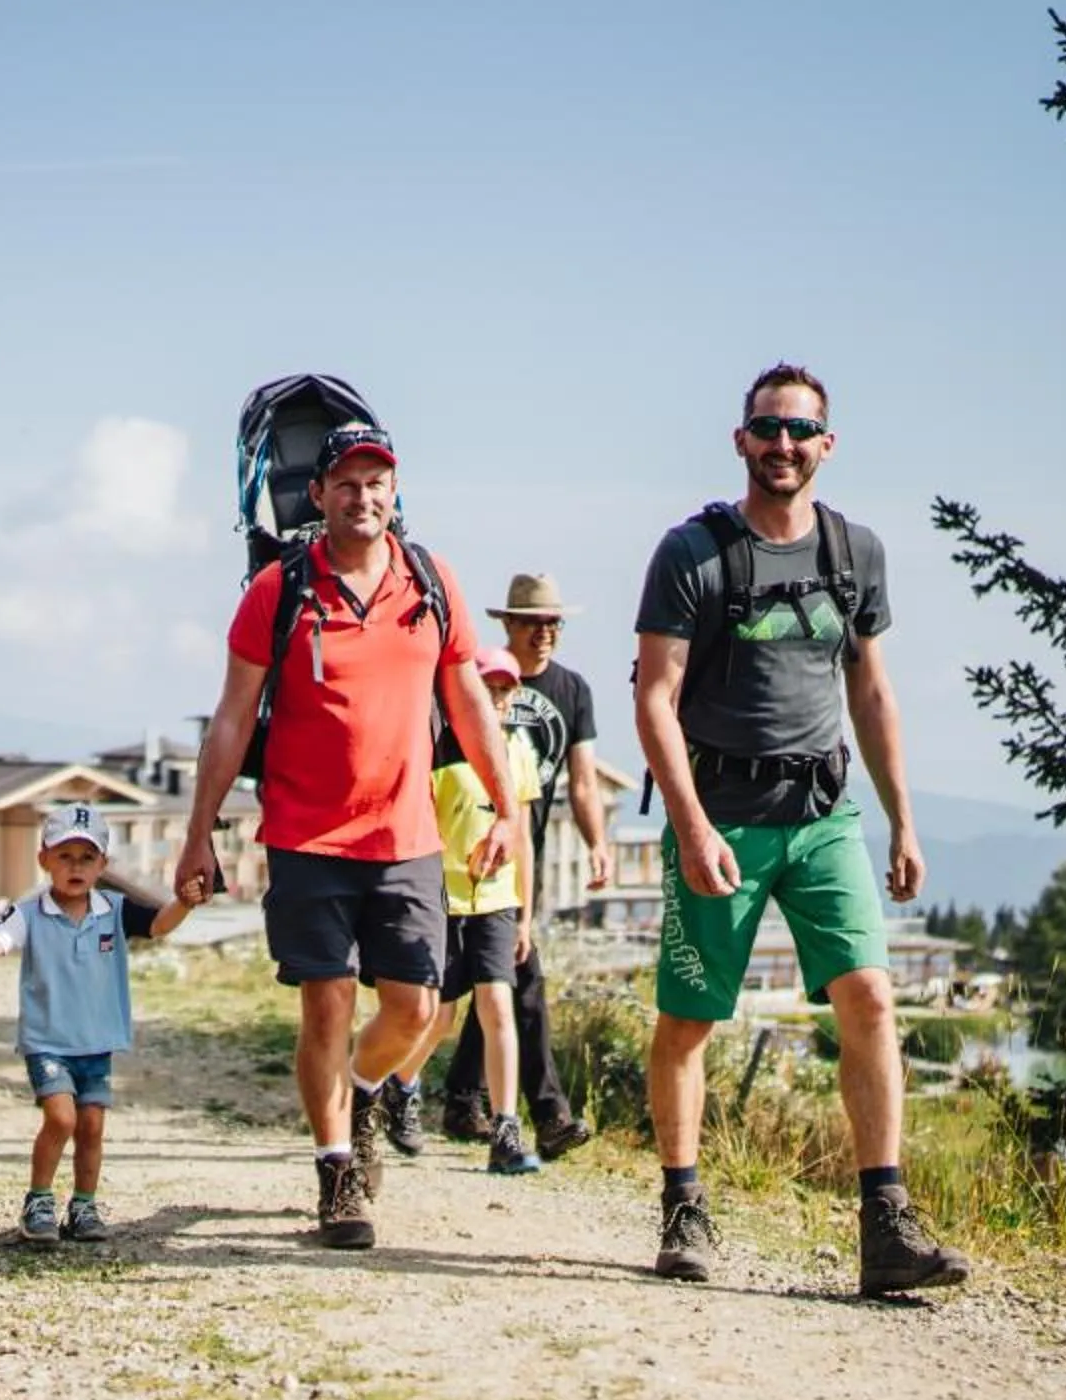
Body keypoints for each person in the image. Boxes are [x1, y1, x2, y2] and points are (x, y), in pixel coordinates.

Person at [630, 365, 972, 1297]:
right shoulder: (692, 554)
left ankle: (885, 1225)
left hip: (824, 814)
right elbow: (654, 699)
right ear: (741, 440)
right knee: (691, 1019)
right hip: (722, 818)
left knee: (869, 997)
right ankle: (683, 1205)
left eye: (802, 430)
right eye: (769, 429)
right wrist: (693, 829)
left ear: (828, 443)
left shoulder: (855, 552)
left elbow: (871, 689)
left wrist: (903, 818)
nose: (785, 445)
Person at [175, 420, 523, 1250]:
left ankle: (364, 1090)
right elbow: (231, 719)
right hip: (306, 835)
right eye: (346, 483)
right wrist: (199, 834)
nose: (362, 497)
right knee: (326, 1006)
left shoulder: (431, 581)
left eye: (377, 482)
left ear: (394, 493)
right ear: (319, 496)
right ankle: (337, 1172)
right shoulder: (279, 589)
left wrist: (507, 806)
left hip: (406, 837)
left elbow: (469, 701)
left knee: (415, 1009)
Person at [403, 570, 614, 1160]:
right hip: (457, 874)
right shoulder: (462, 709)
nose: (546, 633)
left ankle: (487, 1108)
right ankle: (525, 1110)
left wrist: (596, 842)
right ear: (509, 625)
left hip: (518, 864)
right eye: (534, 623)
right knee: (490, 992)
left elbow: (584, 780)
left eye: (554, 623)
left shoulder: (571, 693)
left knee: (500, 985)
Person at [0, 801, 208, 1241]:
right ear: (44, 860)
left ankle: (84, 1206)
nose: (76, 867)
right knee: (61, 1118)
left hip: (96, 1042)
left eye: (87, 858)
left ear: (103, 865)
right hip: (48, 1042)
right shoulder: (29, 913)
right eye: (65, 856)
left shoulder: (113, 908)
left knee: (92, 1126)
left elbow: (158, 925)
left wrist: (184, 903)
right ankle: (38, 1200)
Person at [387, 648, 544, 1173]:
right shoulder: (436, 746)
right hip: (443, 896)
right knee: (439, 1015)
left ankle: (506, 1129)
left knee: (498, 1005)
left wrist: (525, 913)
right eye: (487, 687)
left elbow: (521, 835)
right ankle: (401, 1083)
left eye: (504, 689)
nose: (495, 698)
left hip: (497, 900)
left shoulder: (518, 749)